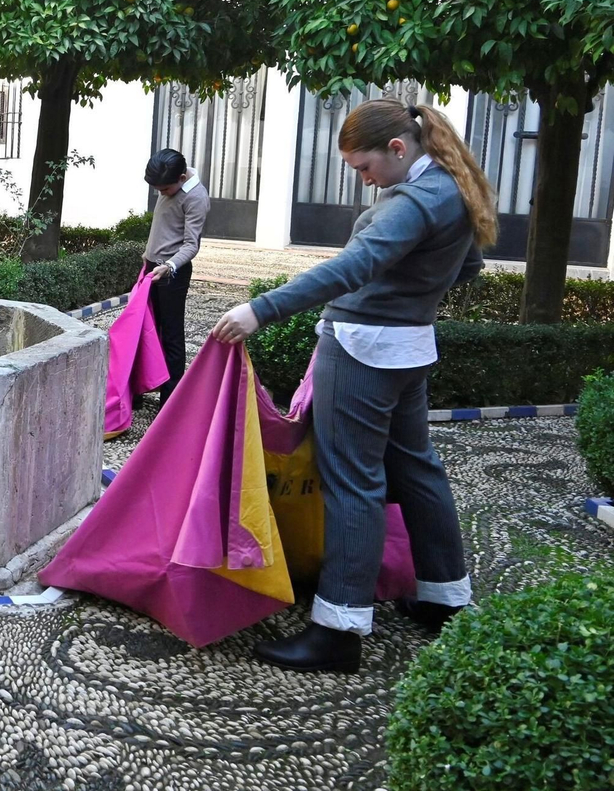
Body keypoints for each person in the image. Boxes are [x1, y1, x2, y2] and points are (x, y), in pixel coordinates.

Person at [210, 99, 495, 674]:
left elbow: (349, 268)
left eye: (363, 167)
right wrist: (413, 294)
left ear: (397, 148)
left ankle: (338, 629)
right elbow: (467, 269)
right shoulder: (450, 187)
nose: (362, 179)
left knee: (352, 483)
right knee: (417, 468)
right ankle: (446, 599)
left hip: (363, 348)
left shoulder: (413, 202)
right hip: (411, 346)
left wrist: (259, 310)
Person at [142, 149, 209, 402]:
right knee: (146, 329)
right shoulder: (166, 177)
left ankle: (170, 401)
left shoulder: (196, 197)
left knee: (171, 334)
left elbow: (192, 245)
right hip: (152, 267)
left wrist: (168, 265)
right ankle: (139, 391)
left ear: (181, 178)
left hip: (171, 274)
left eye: (165, 189)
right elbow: (164, 225)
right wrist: (148, 254)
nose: (161, 193)